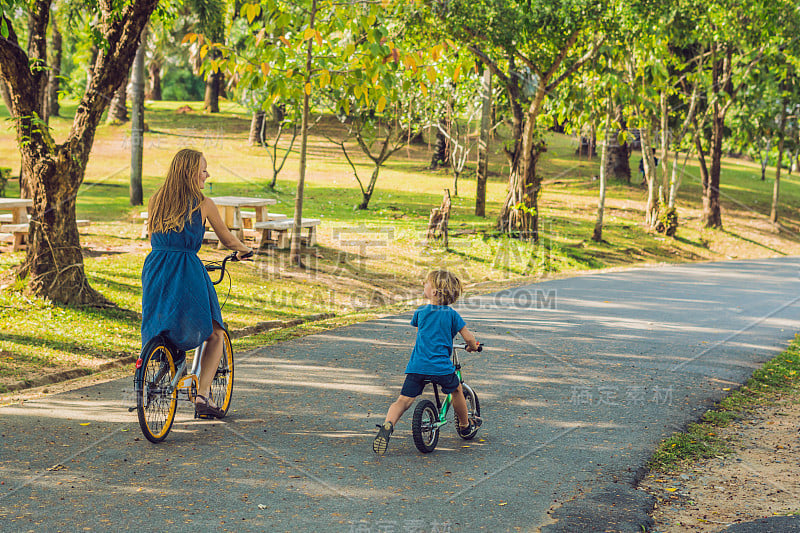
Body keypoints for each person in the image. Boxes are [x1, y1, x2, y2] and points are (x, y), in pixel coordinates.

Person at [141, 148, 253, 419]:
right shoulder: (204, 203)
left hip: (155, 267)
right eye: (203, 170)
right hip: (187, 269)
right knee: (215, 331)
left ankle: (165, 361)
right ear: (191, 172)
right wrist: (244, 250)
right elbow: (227, 239)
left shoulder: (156, 200)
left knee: (165, 321)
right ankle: (202, 396)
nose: (207, 174)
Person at [373, 270, 480, 454]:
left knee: (403, 401)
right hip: (441, 368)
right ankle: (465, 425)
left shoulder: (420, 312)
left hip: (417, 366)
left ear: (435, 291)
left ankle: (388, 425)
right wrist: (473, 346)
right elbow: (469, 338)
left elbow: (421, 335)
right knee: (457, 390)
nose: (424, 286)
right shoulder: (452, 315)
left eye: (426, 284)